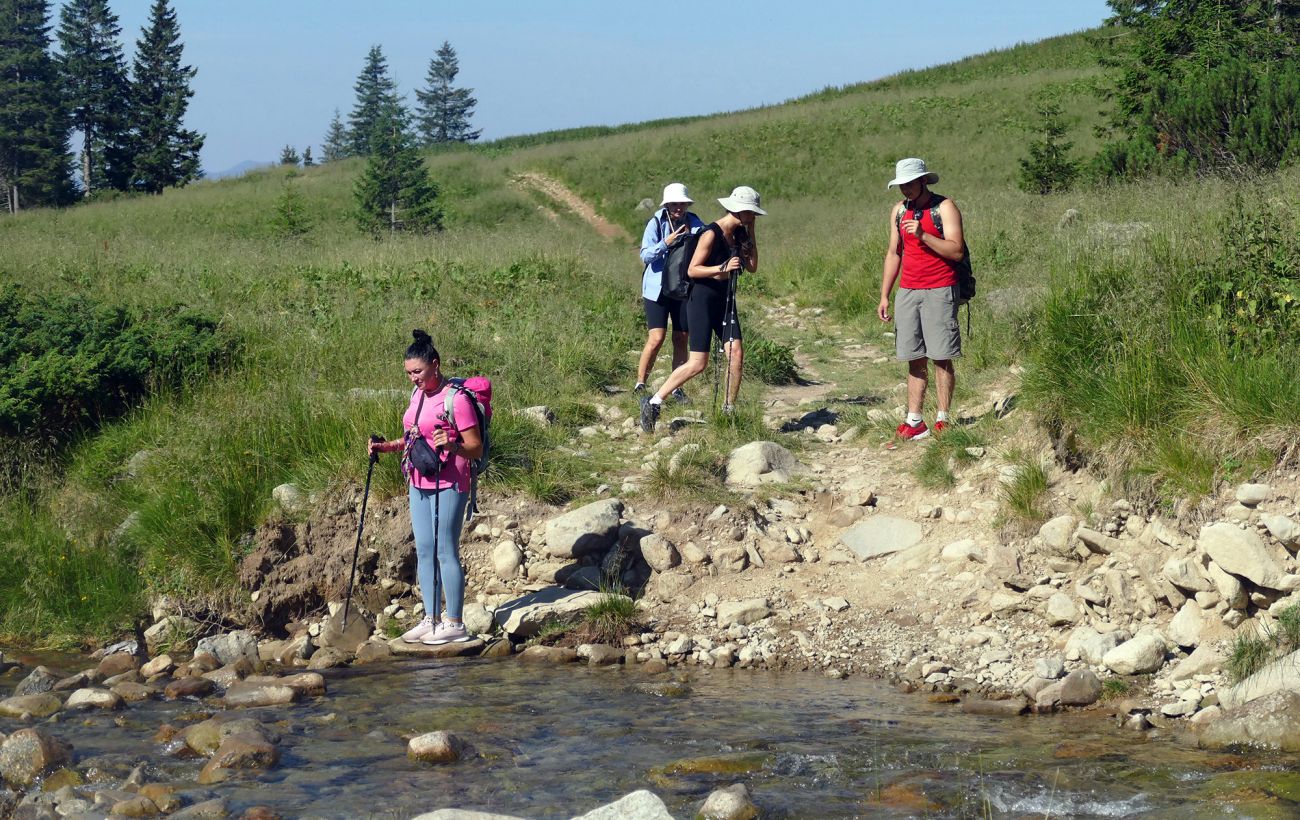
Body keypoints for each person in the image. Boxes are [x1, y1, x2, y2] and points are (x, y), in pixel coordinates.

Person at [368, 330, 482, 645]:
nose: (413, 378)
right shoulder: (417, 396)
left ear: (435, 364)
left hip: (450, 482)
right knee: (424, 551)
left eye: (417, 372)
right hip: (418, 481)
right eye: (408, 373)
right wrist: (386, 446)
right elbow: (414, 436)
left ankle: (455, 622)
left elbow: (476, 448)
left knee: (446, 550)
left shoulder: (456, 400)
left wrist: (455, 445)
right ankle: (431, 619)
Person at [640, 185, 764, 433]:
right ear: (739, 211)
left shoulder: (740, 233)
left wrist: (751, 235)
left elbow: (752, 267)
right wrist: (722, 269)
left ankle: (729, 411)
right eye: (752, 213)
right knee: (698, 363)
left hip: (725, 300)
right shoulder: (711, 233)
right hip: (702, 301)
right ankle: (654, 402)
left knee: (736, 352)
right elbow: (693, 270)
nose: (754, 217)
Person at [878, 158, 965, 441]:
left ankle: (944, 418)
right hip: (909, 290)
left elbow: (956, 251)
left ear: (923, 181)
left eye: (910, 184)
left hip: (940, 288)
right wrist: (885, 295)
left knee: (941, 355)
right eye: (901, 185)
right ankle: (915, 420)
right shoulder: (899, 212)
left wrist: (924, 234)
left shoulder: (945, 207)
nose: (905, 189)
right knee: (913, 356)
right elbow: (894, 254)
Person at [636, 182, 704, 399]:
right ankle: (640, 383)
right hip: (656, 289)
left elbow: (706, 240)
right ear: (667, 205)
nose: (678, 208)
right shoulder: (656, 222)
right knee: (656, 338)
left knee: (681, 337)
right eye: (674, 204)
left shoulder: (694, 222)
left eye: (682, 204)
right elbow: (645, 255)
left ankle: (676, 387)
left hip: (682, 287)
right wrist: (666, 243)